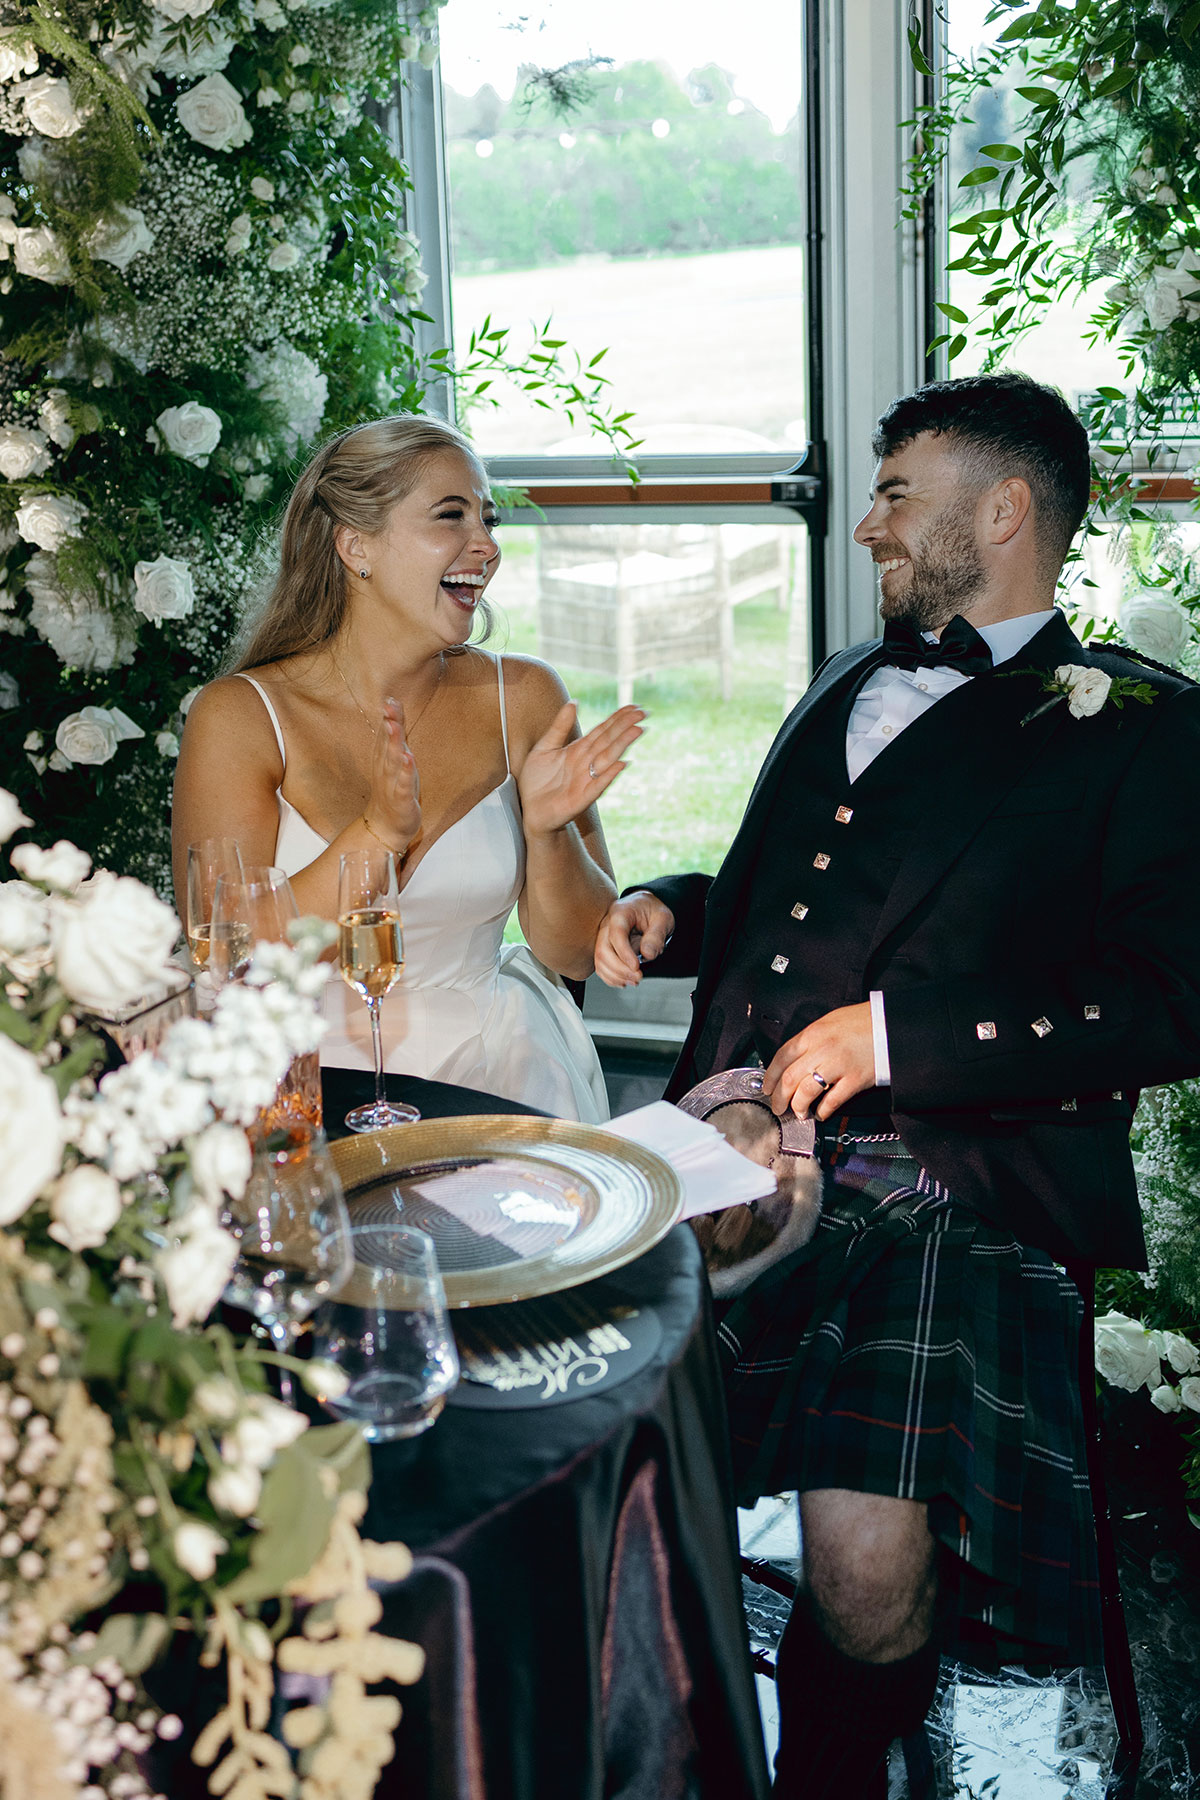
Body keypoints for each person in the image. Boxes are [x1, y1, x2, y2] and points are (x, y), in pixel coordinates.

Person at [594, 372, 1200, 1797]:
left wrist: (899, 1040)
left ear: (1001, 513)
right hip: (739, 1143)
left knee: (868, 1573)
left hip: (960, 1180)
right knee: (582, 1446)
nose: (865, 525)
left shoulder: (1139, 728)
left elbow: (1172, 1005)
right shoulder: (844, 681)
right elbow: (777, 896)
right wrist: (672, 906)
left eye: (896, 496)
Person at [173, 413, 642, 1122]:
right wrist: (376, 834)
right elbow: (230, 963)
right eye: (450, 517)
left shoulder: (524, 696)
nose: (485, 546)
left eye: (486, 519)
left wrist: (548, 834)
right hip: (303, 1089)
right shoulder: (240, 716)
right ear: (355, 545)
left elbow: (576, 952)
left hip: (500, 1077)